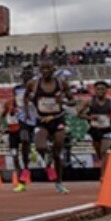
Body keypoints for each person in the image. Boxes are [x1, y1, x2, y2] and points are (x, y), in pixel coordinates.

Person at [25, 58, 73, 194]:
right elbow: (25, 97)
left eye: (48, 68)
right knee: (40, 146)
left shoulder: (61, 83)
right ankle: (47, 160)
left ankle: (59, 182)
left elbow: (73, 101)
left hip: (57, 119)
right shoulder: (33, 84)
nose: (46, 71)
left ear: (54, 69)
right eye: (43, 68)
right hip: (42, 120)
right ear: (39, 70)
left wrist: (62, 101)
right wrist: (27, 112)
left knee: (58, 149)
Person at [3, 65, 38, 192]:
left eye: (29, 74)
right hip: (16, 128)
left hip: (35, 116)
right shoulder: (16, 90)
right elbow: (4, 114)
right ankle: (21, 176)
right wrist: (10, 115)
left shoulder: (37, 87)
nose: (26, 77)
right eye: (24, 75)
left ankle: (33, 148)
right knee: (15, 154)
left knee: (31, 141)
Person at [78, 80, 111, 168]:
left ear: (107, 90)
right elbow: (79, 114)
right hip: (94, 130)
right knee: (99, 154)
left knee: (104, 151)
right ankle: (103, 169)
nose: (100, 91)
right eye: (98, 89)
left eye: (103, 89)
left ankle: (105, 172)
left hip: (107, 129)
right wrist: (89, 117)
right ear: (95, 90)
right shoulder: (89, 102)